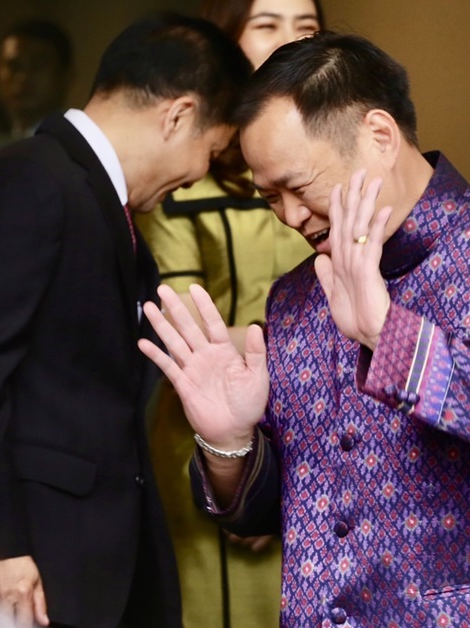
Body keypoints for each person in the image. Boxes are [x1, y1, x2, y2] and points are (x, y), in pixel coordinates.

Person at [140, 32, 470, 626]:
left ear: (380, 137)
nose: (291, 215)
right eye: (270, 197)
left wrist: (390, 336)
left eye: (299, 186)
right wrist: (230, 444)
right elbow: (276, 513)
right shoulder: (295, 298)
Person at [0, 15, 249, 628]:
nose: (200, 173)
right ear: (178, 116)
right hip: (37, 564)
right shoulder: (32, 180)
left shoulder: (97, 198)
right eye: (212, 151)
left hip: (96, 560)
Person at [134, 1, 321, 626]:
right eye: (266, 24)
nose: (291, 41)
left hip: (320, 436)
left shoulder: (337, 174)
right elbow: (180, 328)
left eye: (306, 26)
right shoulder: (185, 178)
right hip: (207, 427)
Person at [0, 20, 72, 147]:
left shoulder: (76, 148)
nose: (22, 77)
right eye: (13, 66)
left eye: (37, 65)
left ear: (65, 76)